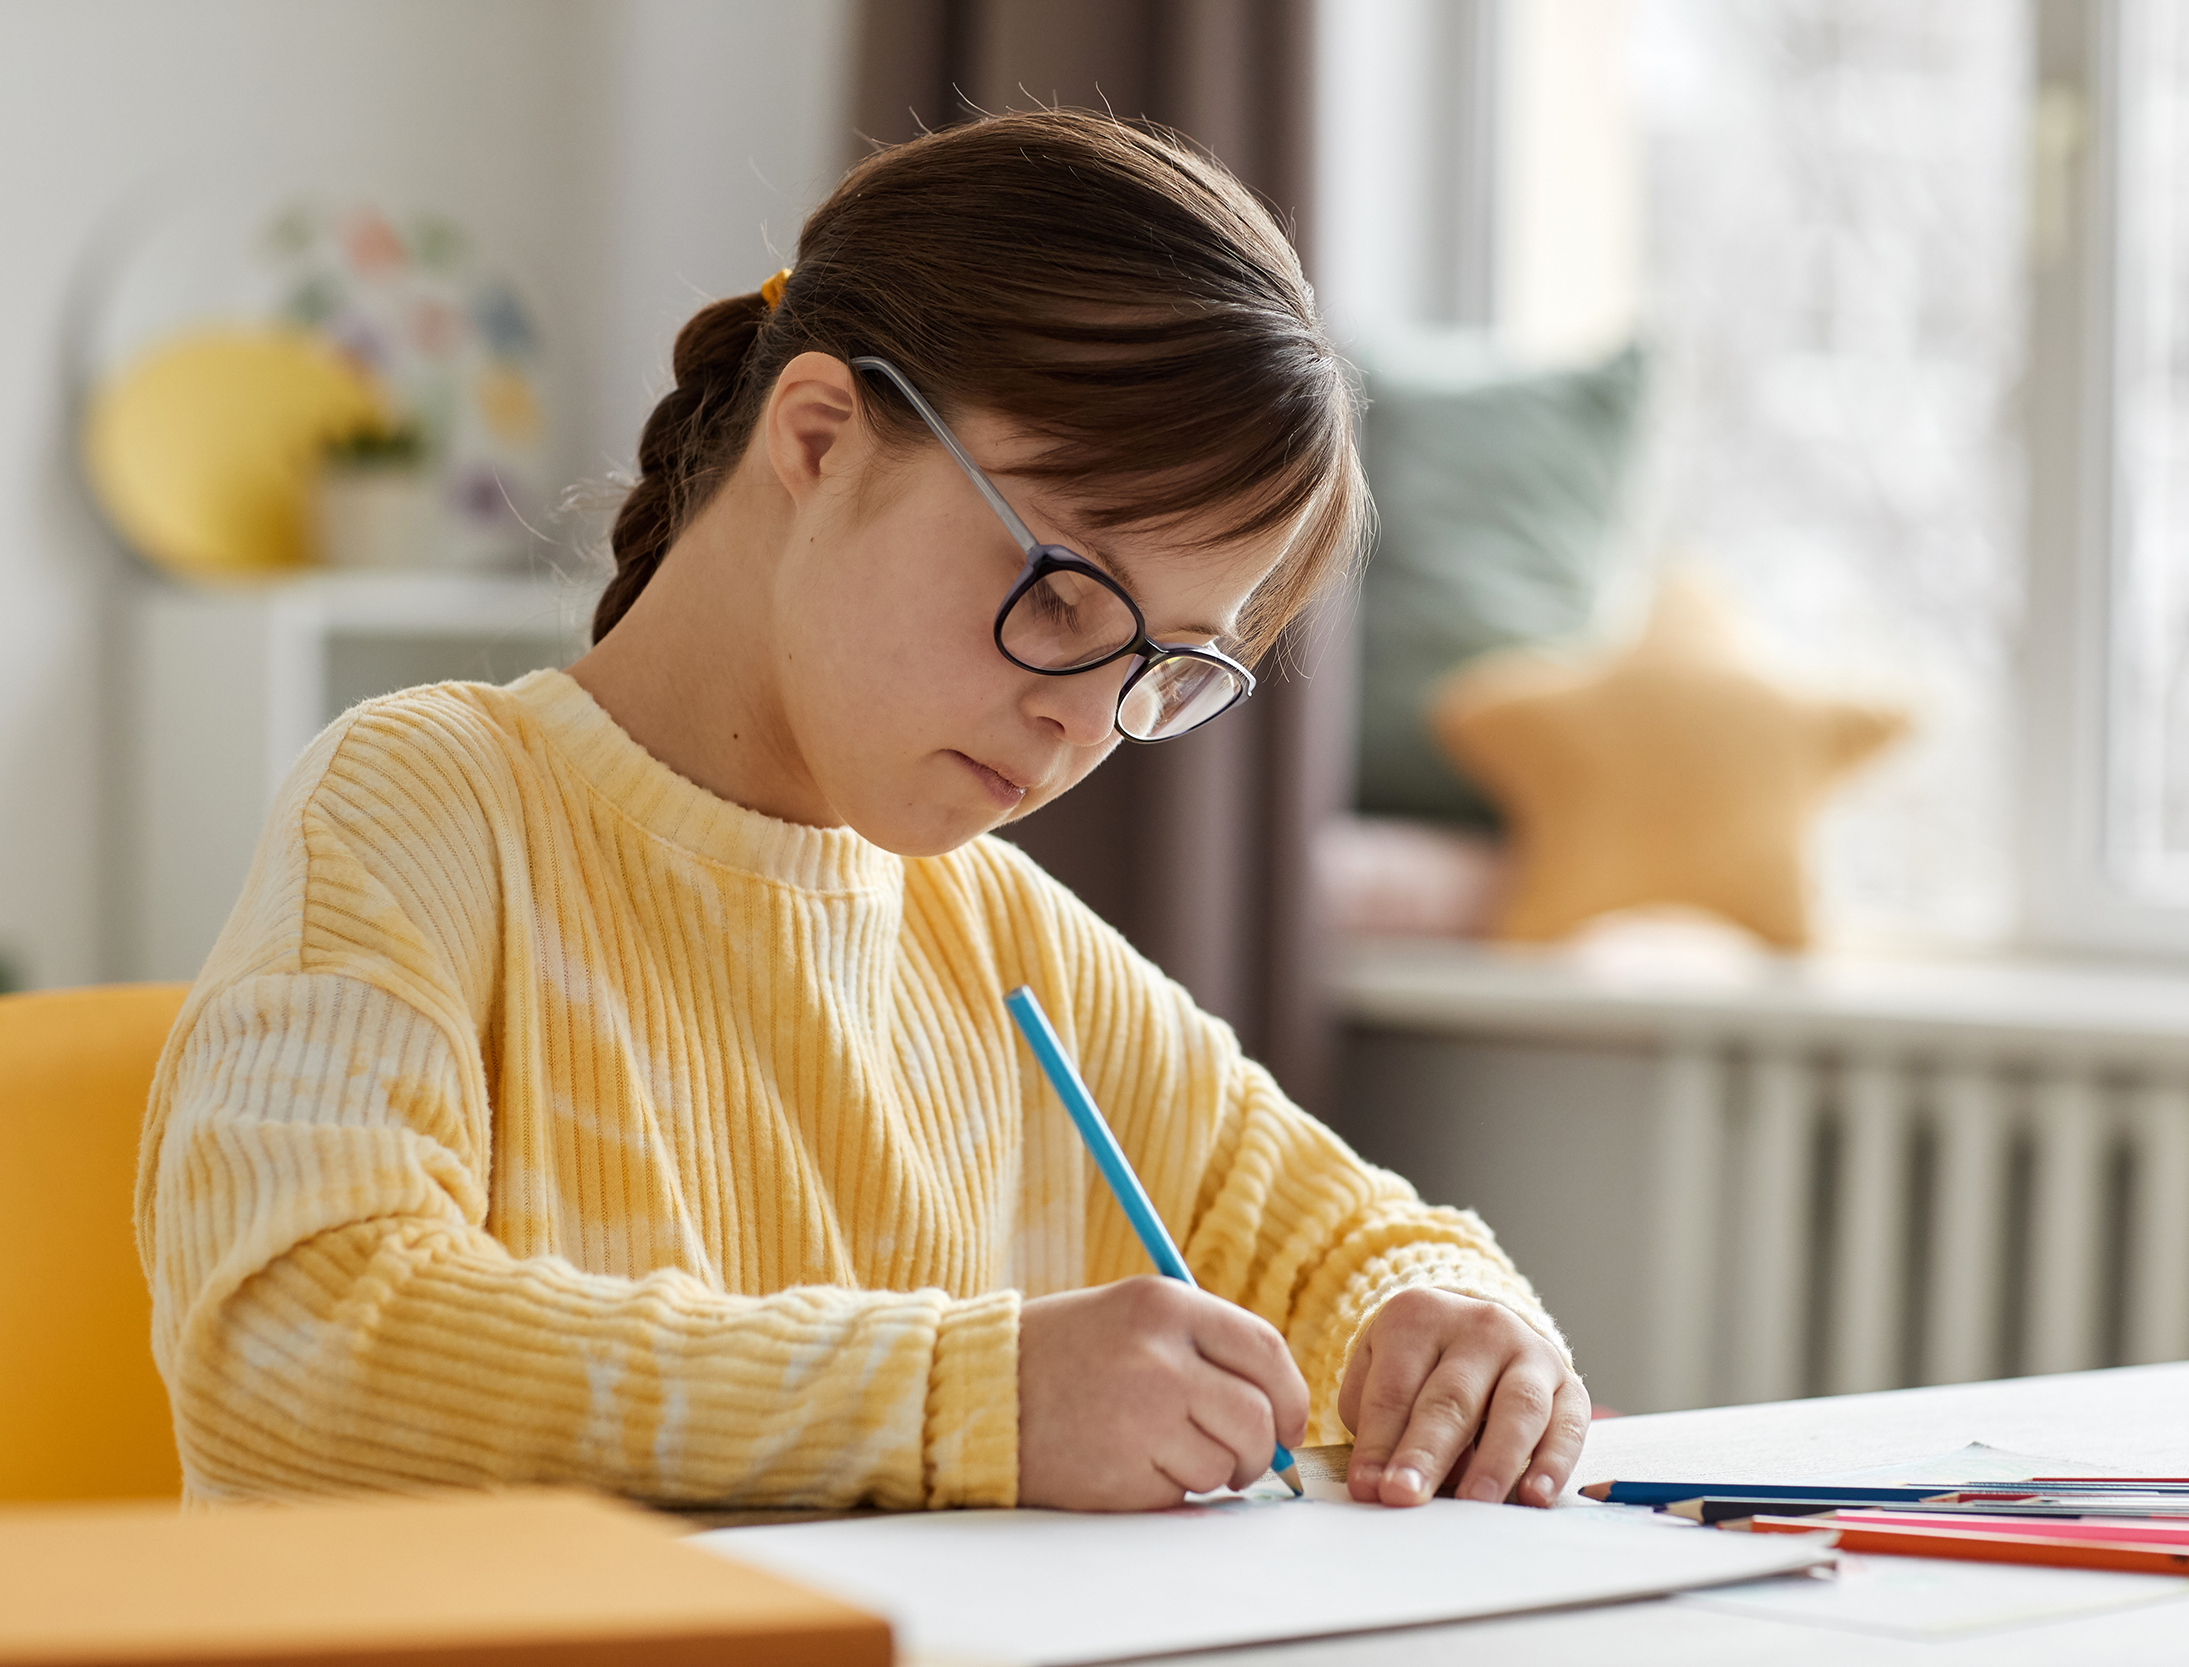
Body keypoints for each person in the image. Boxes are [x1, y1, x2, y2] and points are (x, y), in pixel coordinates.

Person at [138, 110, 1587, 1514]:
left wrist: (1454, 1325)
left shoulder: (997, 936)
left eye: (1165, 666)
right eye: (1066, 592)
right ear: (822, 438)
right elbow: (298, 1345)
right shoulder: (427, 808)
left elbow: (1353, 1239)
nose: (1087, 719)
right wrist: (973, 1399)